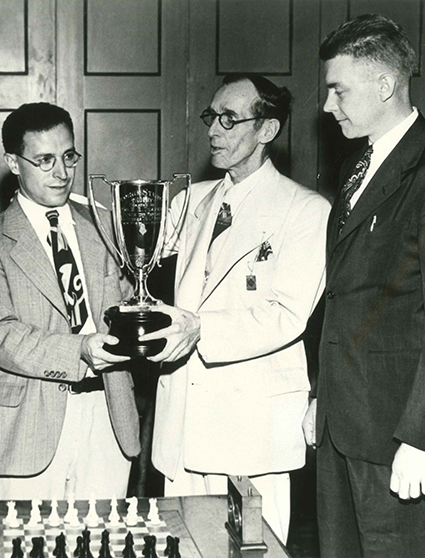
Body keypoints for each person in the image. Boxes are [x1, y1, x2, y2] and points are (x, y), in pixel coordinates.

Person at [301, 14, 425, 557]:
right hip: (347, 431)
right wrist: (322, 398)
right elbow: (344, 302)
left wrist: (422, 438)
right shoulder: (359, 168)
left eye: (338, 90)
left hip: (403, 442)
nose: (327, 106)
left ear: (384, 86)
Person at [141, 74, 330, 543]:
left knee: (250, 552)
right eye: (212, 117)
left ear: (267, 130)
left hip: (251, 430)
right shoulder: (190, 199)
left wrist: (199, 329)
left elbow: (287, 315)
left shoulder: (305, 211)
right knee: (180, 547)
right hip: (181, 424)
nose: (213, 130)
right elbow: (139, 262)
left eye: (229, 119)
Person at [0, 102, 140, 501]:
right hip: (25, 426)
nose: (62, 173)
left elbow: (128, 300)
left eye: (69, 156)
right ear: (13, 161)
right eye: (44, 160)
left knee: (103, 544)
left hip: (109, 416)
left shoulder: (105, 224)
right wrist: (80, 349)